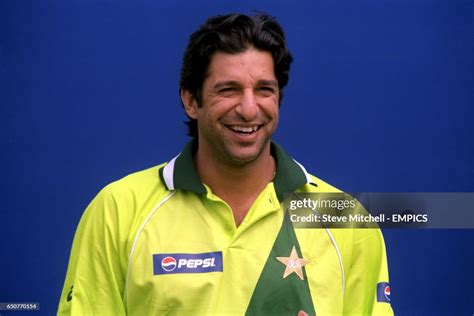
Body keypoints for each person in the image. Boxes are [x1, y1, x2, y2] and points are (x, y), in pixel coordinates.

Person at [58, 13, 393, 315]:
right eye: (229, 89)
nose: (248, 109)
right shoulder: (118, 210)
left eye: (264, 89)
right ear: (191, 101)